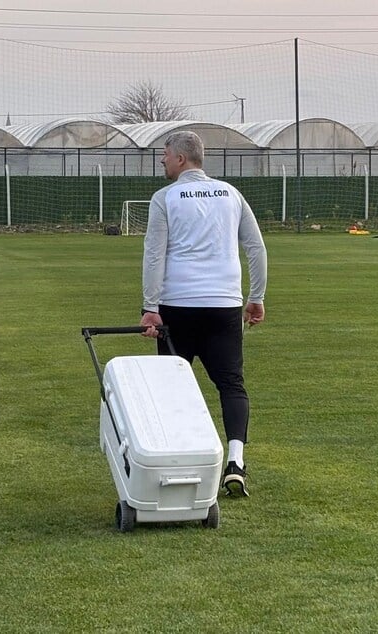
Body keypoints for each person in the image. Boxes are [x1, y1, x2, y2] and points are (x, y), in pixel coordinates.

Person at [139, 131, 268, 497]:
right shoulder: (231, 193)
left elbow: (154, 254)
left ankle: (179, 461)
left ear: (181, 159)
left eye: (164, 155)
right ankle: (236, 461)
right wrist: (255, 296)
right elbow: (256, 248)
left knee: (172, 386)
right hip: (224, 303)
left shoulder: (165, 198)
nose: (162, 161)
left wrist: (151, 307)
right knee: (231, 384)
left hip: (178, 305)